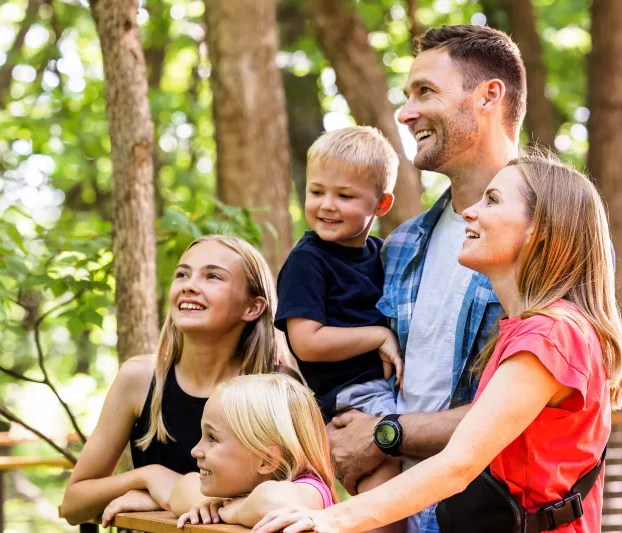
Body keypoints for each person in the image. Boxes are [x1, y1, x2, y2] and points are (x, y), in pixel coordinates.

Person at [253, 155, 621, 533]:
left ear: (538, 230)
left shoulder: (551, 336)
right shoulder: (528, 331)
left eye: (492, 200)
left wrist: (330, 519)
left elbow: (459, 464)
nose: (471, 211)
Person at [326, 25, 524, 533]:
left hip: (496, 519)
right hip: (396, 515)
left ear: (489, 96)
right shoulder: (400, 245)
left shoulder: (554, 238)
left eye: (425, 92)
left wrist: (385, 433)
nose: (405, 112)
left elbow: (533, 414)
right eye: (406, 94)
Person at [59, 235, 288, 526]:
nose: (189, 285)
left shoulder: (277, 388)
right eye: (182, 274)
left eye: (213, 276)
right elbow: (72, 506)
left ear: (252, 308)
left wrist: (168, 498)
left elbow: (296, 500)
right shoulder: (140, 379)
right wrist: (149, 476)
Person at [274, 126, 404, 532]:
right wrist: (379, 336)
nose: (327, 205)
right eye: (317, 192)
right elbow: (306, 342)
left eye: (345, 196)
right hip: (352, 395)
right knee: (387, 494)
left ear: (381, 204)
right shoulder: (308, 260)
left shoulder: (380, 254)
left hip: (385, 388)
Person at [168, 374, 336, 529]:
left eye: (212, 438)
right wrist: (215, 506)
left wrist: (236, 511)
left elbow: (272, 502)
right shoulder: (245, 487)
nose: (195, 451)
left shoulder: (311, 491)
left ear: (267, 460)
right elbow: (182, 491)